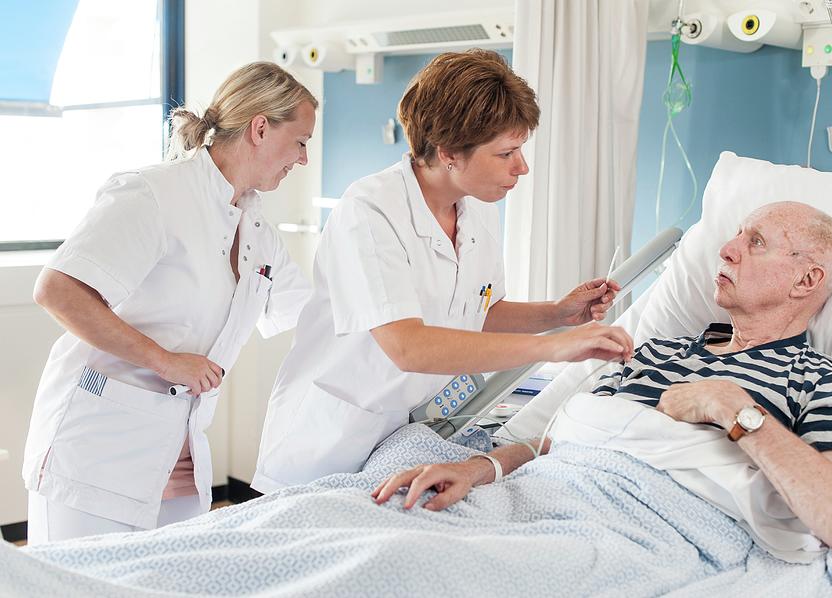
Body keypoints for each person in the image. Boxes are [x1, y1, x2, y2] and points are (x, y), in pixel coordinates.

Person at [373, 201, 832, 562]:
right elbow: (563, 439)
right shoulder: (660, 349)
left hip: (640, 532)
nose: (727, 249)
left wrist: (732, 407)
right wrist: (480, 468)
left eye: (757, 242)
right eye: (736, 235)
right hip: (538, 496)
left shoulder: (821, 380)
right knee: (378, 532)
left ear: (806, 280)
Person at [252, 49, 633, 492]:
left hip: (404, 438)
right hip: (330, 438)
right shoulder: (370, 211)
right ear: (449, 152)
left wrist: (560, 314)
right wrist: (553, 349)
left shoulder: (477, 207)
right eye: (506, 152)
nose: (522, 167)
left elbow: (476, 310)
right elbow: (408, 346)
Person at [23, 62, 317, 543]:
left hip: (179, 450)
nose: (303, 158)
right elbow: (57, 290)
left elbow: (315, 316)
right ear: (260, 127)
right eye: (301, 141)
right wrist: (164, 360)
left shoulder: (256, 227)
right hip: (99, 448)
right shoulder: (154, 193)